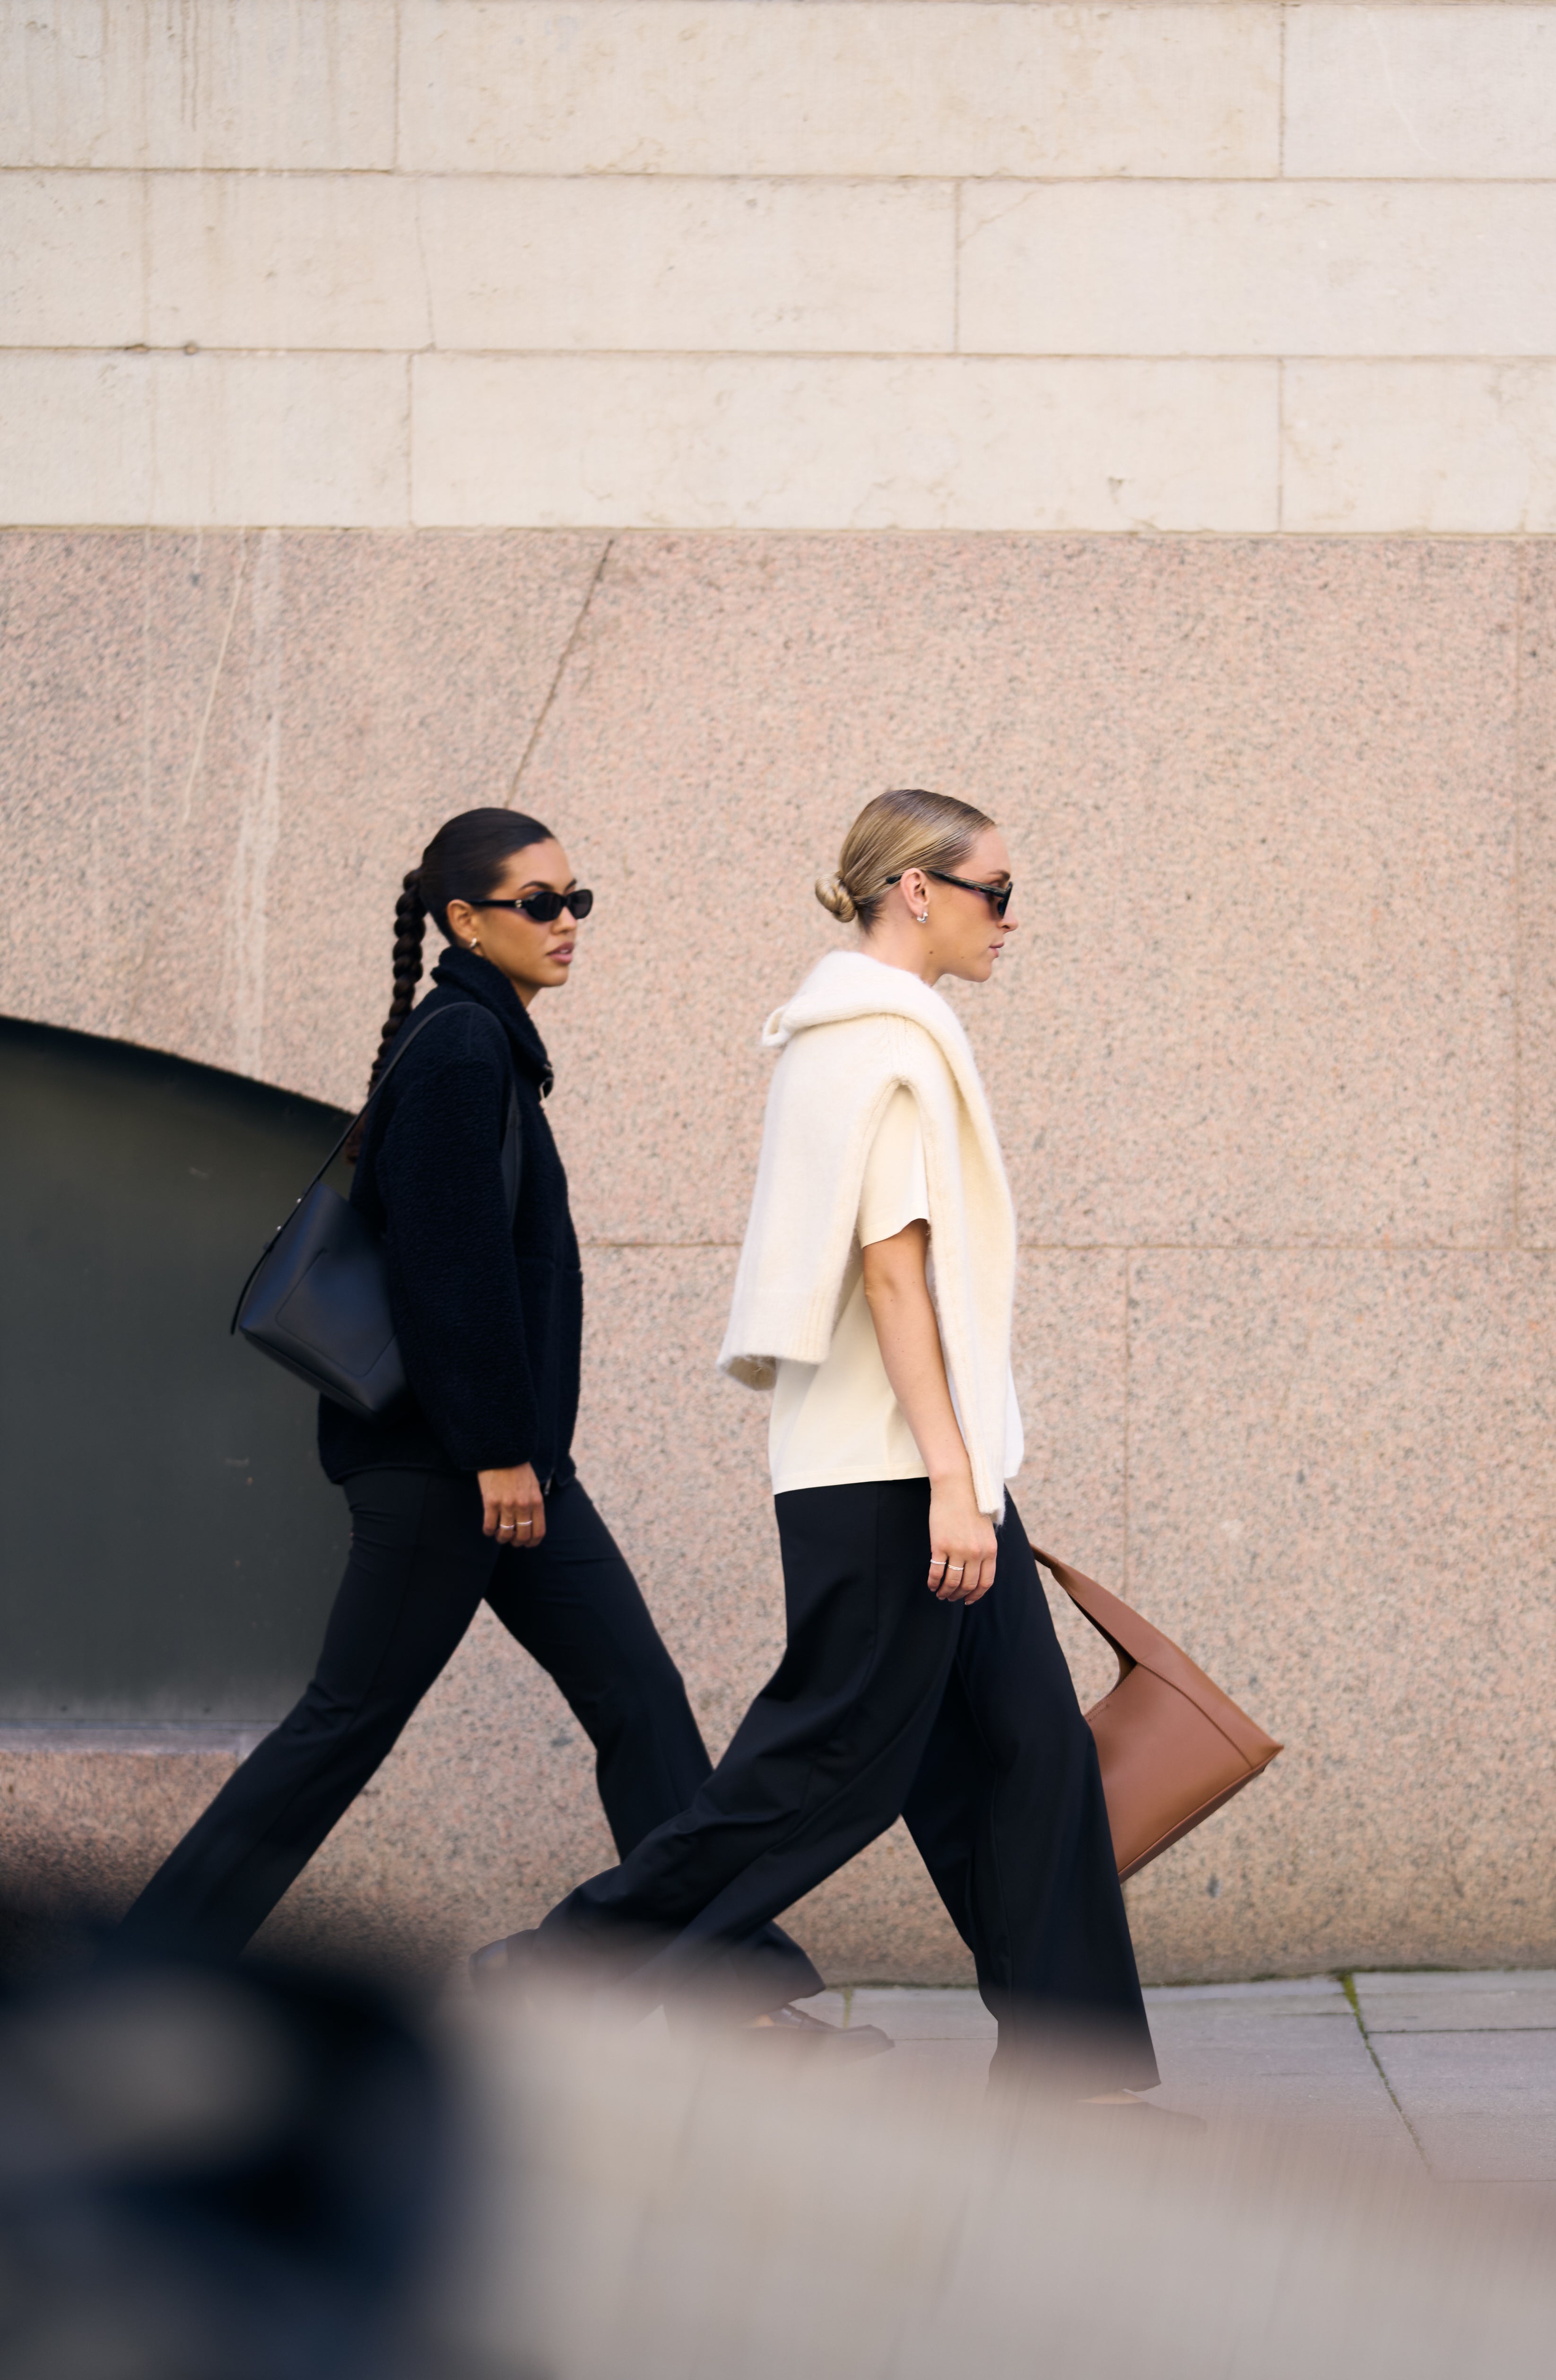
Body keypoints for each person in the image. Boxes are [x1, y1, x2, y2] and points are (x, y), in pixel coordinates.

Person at [121, 807, 853, 2045]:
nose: (567, 924)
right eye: (539, 904)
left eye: (578, 900)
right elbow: (449, 1271)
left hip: (509, 1466)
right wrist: (498, 1451)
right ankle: (143, 1978)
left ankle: (725, 1988)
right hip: (453, 1468)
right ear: (465, 921)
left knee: (636, 1695)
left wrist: (518, 1455)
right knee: (342, 1729)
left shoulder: (483, 1043)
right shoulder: (462, 1046)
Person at [486, 790, 1160, 2103]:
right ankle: (561, 1968)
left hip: (933, 1464)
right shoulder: (879, 1044)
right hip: (900, 1474)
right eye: (996, 892)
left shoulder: (857, 1033)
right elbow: (893, 1278)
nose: (1010, 919)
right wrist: (955, 1483)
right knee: (828, 1770)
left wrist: (968, 1475)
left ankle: (1069, 2078)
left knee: (1031, 1753)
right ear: (916, 889)